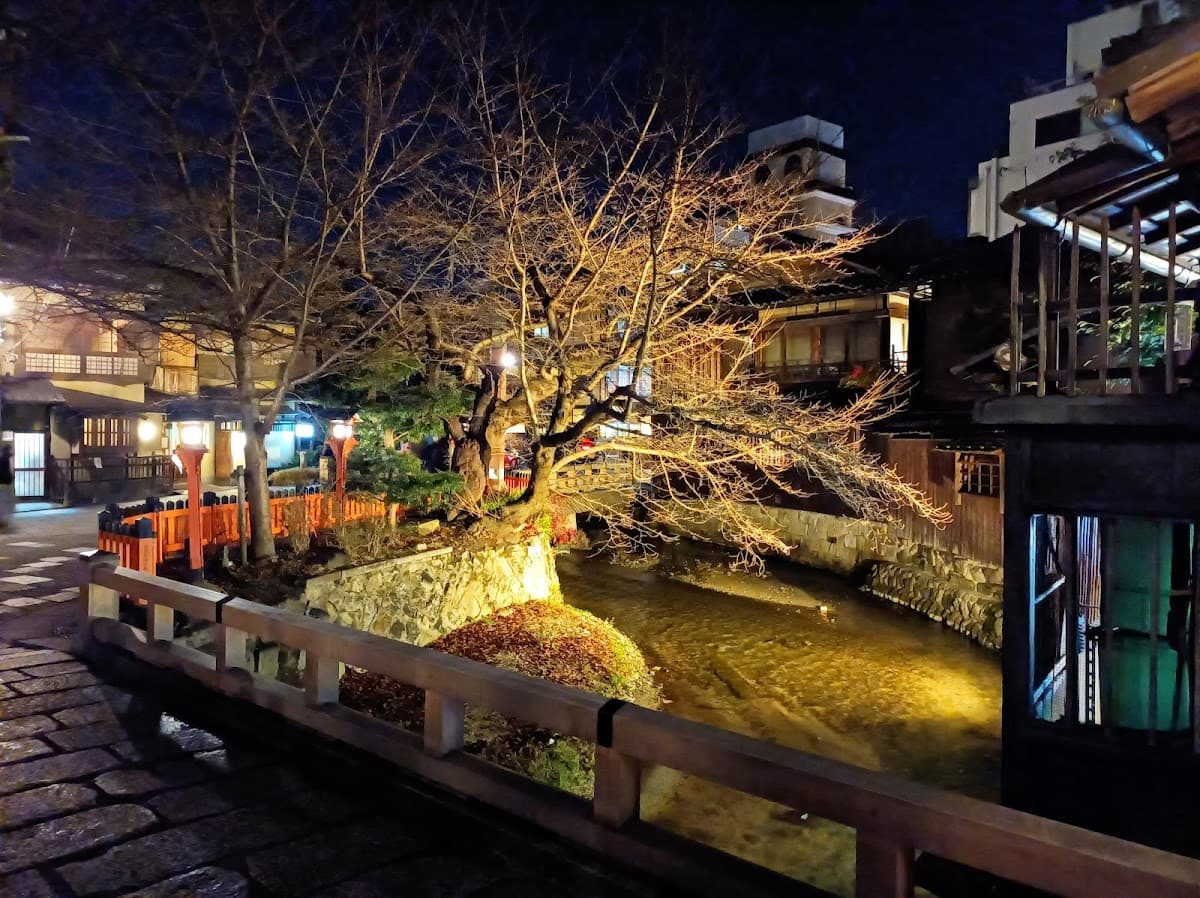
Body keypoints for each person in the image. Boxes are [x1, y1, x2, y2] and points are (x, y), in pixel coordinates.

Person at [0, 443, 13, 528]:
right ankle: (1, 521)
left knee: (3, 503)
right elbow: (3, 472)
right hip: (3, 483)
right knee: (3, 503)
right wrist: (10, 477)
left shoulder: (5, 458)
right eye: (10, 450)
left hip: (4, 483)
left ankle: (2, 521)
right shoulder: (4, 459)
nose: (12, 452)